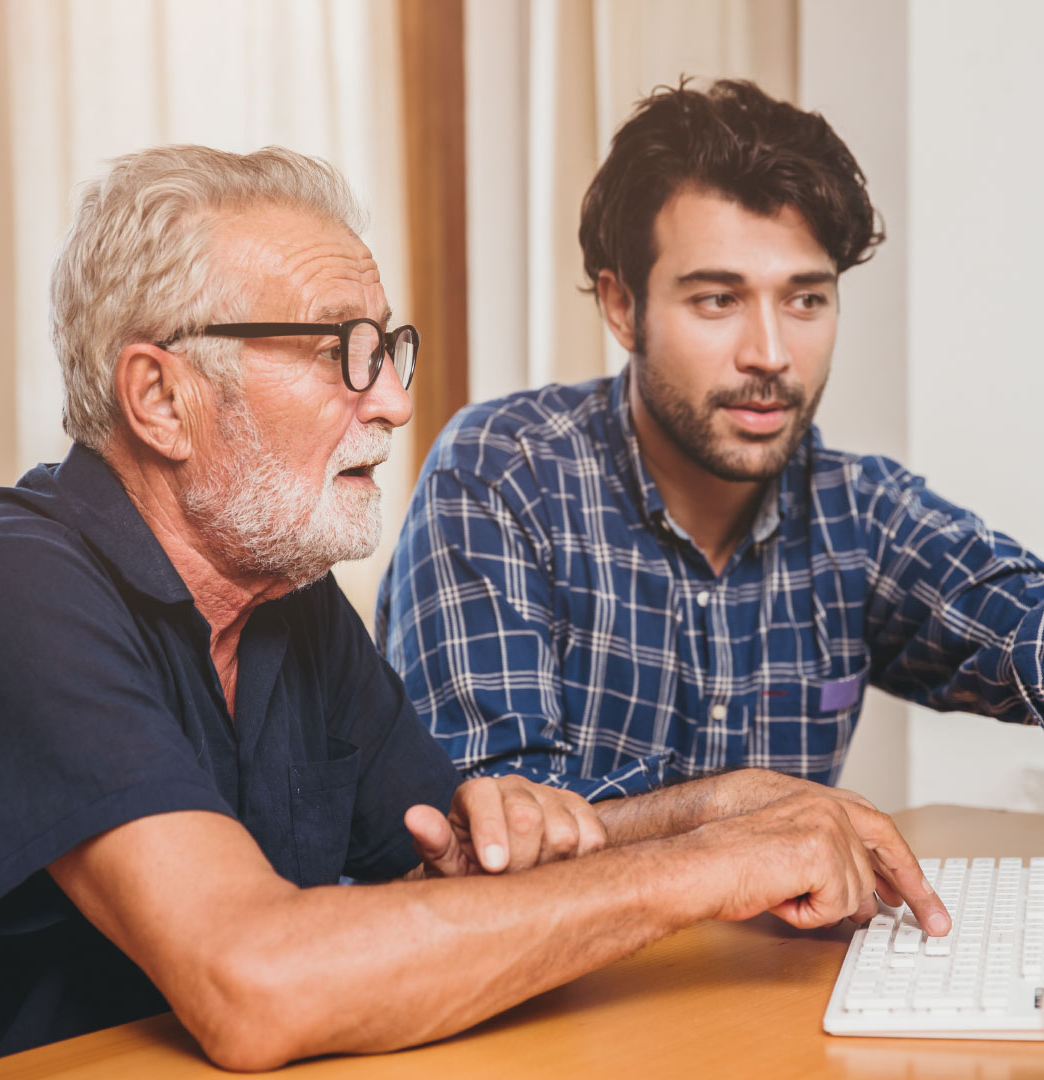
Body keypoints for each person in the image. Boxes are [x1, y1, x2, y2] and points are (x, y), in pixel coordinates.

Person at [0, 144, 948, 1070]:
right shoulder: (9, 582)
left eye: (391, 347)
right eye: (341, 351)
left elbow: (473, 869)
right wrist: (705, 867)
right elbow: (253, 980)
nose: (393, 400)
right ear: (161, 398)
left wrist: (718, 809)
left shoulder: (284, 597)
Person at [378, 77, 1044, 801]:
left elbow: (1021, 626)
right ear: (623, 307)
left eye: (805, 300)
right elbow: (496, 813)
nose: (770, 353)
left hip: (760, 924)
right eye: (718, 299)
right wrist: (732, 818)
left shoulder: (857, 512)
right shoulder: (501, 476)